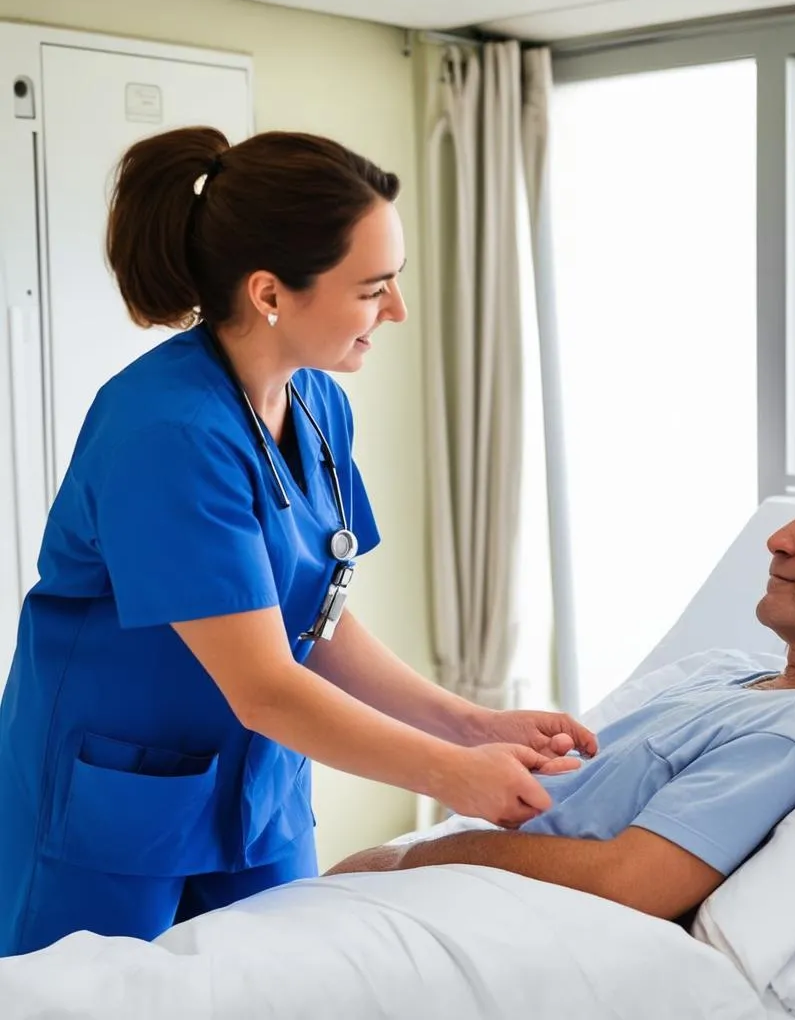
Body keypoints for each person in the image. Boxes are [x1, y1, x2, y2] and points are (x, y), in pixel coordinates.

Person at [0, 127, 596, 957]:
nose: (396, 310)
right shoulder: (166, 431)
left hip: (257, 797)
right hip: (111, 808)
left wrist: (472, 725)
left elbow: (317, 622)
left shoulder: (317, 401)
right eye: (372, 288)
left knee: (284, 988)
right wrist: (448, 773)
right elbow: (265, 685)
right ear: (271, 292)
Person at [327, 434, 795, 922]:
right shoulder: (733, 677)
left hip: (457, 906)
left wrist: (420, 856)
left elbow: (637, 883)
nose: (780, 538)